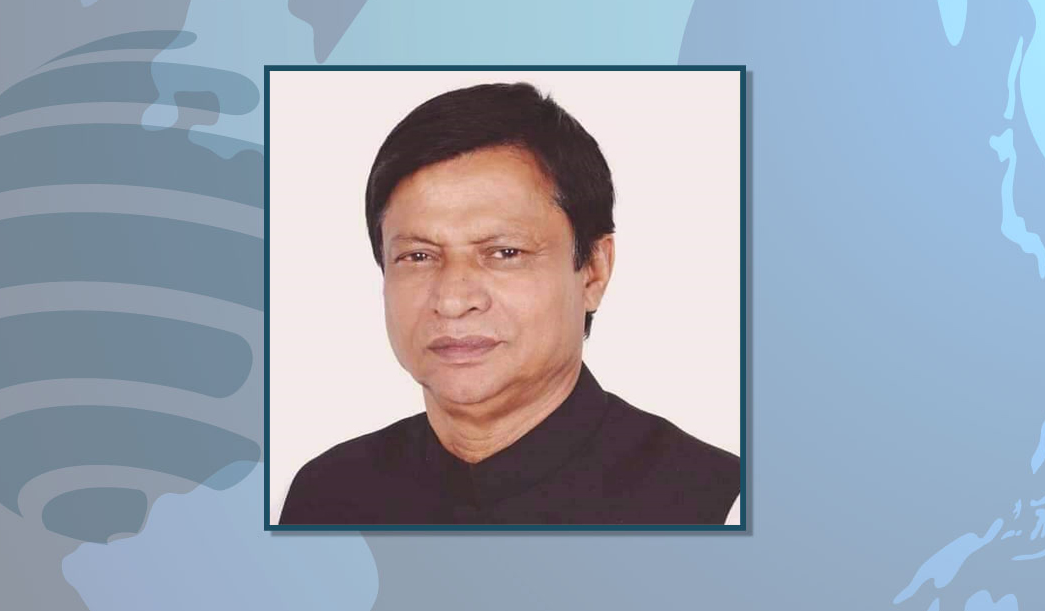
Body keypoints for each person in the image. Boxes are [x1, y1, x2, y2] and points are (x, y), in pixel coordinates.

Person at [279, 82, 739, 525]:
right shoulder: (327, 498)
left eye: (504, 253)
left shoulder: (717, 504)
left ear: (593, 270)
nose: (453, 300)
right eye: (418, 256)